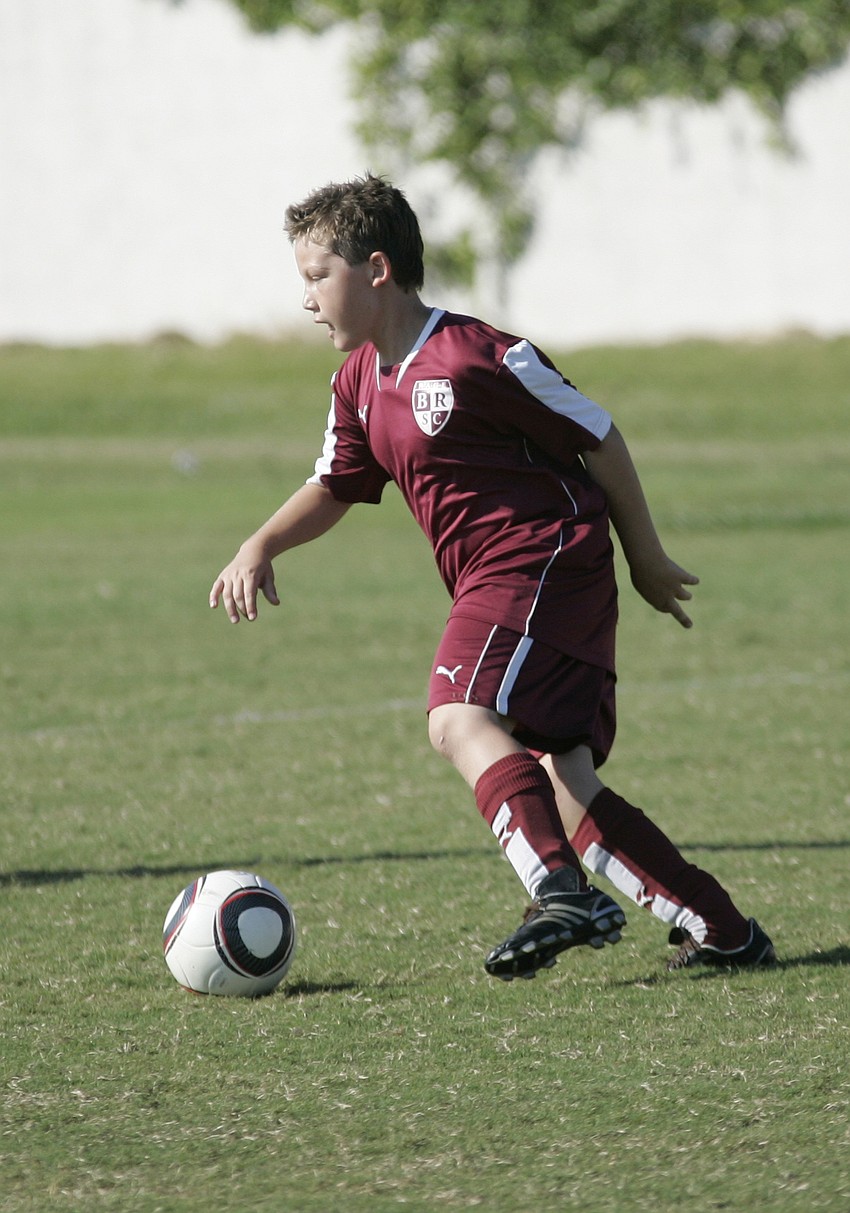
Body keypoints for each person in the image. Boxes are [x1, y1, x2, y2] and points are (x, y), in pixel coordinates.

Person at [209, 173, 775, 981]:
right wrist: (260, 543)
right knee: (566, 783)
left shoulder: (479, 355)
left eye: (315, 276)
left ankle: (558, 892)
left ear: (375, 268)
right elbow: (338, 482)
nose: (306, 300)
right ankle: (724, 930)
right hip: (526, 581)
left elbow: (600, 435)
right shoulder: (359, 382)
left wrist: (644, 555)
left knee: (455, 715)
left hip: (541, 559)